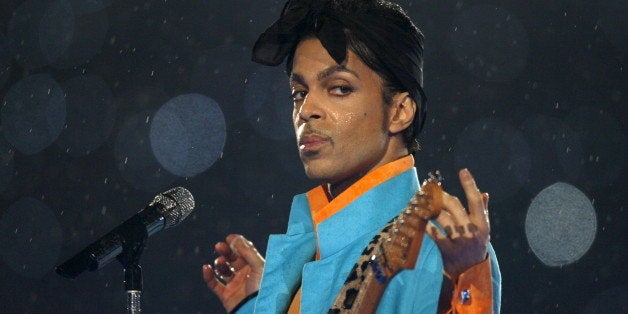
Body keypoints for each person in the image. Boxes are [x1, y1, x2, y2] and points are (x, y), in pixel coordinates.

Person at [202, 0, 501, 313]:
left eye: (339, 88)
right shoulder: (305, 252)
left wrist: (467, 283)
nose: (306, 111)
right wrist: (256, 305)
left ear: (399, 111)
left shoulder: (435, 245)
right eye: (299, 93)